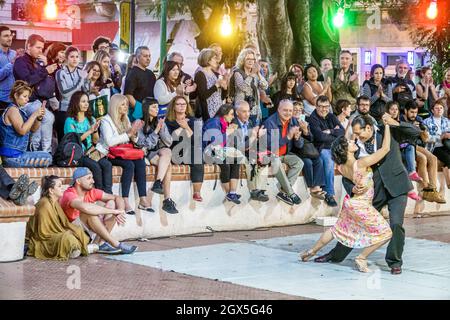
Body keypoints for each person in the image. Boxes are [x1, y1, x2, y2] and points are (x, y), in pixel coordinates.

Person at [314, 114, 416, 275]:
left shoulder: (387, 131)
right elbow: (349, 172)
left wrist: (395, 122)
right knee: (354, 222)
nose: (356, 137)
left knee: (396, 224)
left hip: (397, 187)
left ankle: (395, 262)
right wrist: (351, 187)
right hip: (373, 191)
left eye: (358, 132)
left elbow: (415, 132)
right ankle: (336, 255)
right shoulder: (354, 147)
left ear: (368, 128)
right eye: (354, 133)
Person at [300, 119, 393, 273]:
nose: (353, 141)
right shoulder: (361, 163)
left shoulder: (342, 167)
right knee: (386, 233)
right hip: (361, 205)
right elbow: (386, 148)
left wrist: (349, 127)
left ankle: (311, 251)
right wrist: (388, 125)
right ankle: (362, 257)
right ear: (346, 150)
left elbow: (344, 141)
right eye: (349, 142)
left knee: (336, 230)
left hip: (351, 203)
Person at [60, 167, 137, 254]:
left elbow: (117, 197)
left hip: (87, 230)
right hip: (72, 231)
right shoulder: (69, 194)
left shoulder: (91, 192)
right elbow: (86, 208)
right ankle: (116, 244)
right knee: (89, 213)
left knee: (112, 202)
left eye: (92, 178)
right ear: (78, 181)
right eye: (89, 178)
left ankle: (99, 244)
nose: (93, 181)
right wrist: (114, 212)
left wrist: (120, 211)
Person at [97, 94, 152, 214]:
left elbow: (132, 139)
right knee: (129, 165)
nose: (126, 107)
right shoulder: (106, 120)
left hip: (124, 151)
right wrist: (129, 133)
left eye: (126, 104)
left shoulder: (126, 118)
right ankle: (125, 200)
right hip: (109, 153)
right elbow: (110, 142)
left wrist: (135, 133)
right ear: (115, 106)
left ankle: (143, 198)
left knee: (140, 161)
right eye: (123, 104)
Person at [27, 175, 95, 260]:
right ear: (51, 190)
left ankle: (78, 248)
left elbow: (64, 223)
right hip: (42, 239)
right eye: (59, 186)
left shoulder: (54, 202)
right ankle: (79, 248)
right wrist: (64, 233)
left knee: (76, 230)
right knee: (68, 238)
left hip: (55, 233)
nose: (62, 188)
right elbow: (43, 234)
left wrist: (70, 230)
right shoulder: (45, 204)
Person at [13, 34, 56, 153]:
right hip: (26, 102)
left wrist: (46, 66)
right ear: (28, 46)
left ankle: (44, 152)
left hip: (38, 101)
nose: (40, 51)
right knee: (47, 118)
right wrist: (45, 71)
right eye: (38, 47)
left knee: (46, 119)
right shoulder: (20, 62)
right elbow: (26, 81)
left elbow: (46, 83)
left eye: (42, 48)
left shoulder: (38, 62)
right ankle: (38, 152)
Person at [64, 91, 113, 194]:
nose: (86, 104)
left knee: (107, 164)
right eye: (83, 101)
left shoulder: (90, 119)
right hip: (77, 154)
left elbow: (95, 140)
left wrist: (95, 130)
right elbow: (73, 140)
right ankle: (99, 193)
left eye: (87, 101)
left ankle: (108, 193)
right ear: (76, 103)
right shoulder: (70, 121)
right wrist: (90, 131)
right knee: (95, 166)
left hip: (90, 152)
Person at [137, 97, 178, 214]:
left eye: (157, 107)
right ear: (146, 108)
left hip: (161, 152)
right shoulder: (139, 123)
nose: (157, 109)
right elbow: (144, 145)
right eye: (154, 107)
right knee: (168, 166)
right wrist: (155, 132)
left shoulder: (160, 122)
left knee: (167, 152)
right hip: (148, 153)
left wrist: (161, 129)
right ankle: (167, 200)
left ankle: (158, 182)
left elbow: (169, 142)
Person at [0, 81, 52, 167]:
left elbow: (33, 129)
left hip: (18, 155)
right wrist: (34, 114)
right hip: (12, 157)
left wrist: (39, 118)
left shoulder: (20, 111)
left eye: (28, 97)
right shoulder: (12, 110)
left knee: (46, 156)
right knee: (48, 157)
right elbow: (22, 131)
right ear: (16, 95)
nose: (27, 99)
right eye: (24, 96)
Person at [400, 100, 444, 203]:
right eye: (411, 112)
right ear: (405, 111)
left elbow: (425, 139)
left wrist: (422, 130)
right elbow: (402, 138)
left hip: (416, 145)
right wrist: (412, 128)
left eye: (415, 112)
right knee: (422, 158)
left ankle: (432, 190)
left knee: (433, 158)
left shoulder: (419, 120)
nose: (414, 115)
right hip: (404, 146)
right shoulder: (400, 119)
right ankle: (425, 189)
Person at [263, 99, 304, 206]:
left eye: (290, 110)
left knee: (299, 162)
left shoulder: (293, 121)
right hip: (271, 154)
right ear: (278, 109)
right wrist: (288, 137)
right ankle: (290, 193)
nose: (288, 113)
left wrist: (297, 138)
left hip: (285, 154)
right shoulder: (270, 122)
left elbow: (299, 145)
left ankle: (283, 192)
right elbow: (271, 146)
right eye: (285, 110)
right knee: (276, 162)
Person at [165, 95, 205, 202]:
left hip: (189, 152)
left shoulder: (193, 121)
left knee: (197, 155)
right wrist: (183, 129)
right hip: (175, 153)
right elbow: (172, 140)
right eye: (178, 104)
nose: (182, 106)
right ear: (173, 106)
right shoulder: (168, 121)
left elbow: (197, 141)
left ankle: (197, 192)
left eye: (184, 104)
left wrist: (186, 127)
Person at [308, 95, 345, 207]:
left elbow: (342, 132)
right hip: (319, 148)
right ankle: (329, 194)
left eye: (326, 107)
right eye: (321, 107)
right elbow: (320, 137)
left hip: (332, 147)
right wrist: (335, 133)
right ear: (316, 106)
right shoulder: (313, 118)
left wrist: (329, 131)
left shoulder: (331, 116)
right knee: (329, 161)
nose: (324, 109)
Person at [203, 104, 242, 204]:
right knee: (225, 164)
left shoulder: (225, 124)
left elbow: (225, 144)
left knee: (236, 160)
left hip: (218, 151)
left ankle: (232, 192)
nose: (233, 117)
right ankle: (229, 193)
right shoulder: (214, 122)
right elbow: (214, 141)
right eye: (231, 114)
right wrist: (228, 132)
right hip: (207, 151)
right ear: (224, 114)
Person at [231, 101, 269, 202]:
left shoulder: (250, 123)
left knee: (264, 160)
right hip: (237, 153)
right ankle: (254, 190)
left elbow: (252, 143)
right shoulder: (233, 124)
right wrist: (254, 136)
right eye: (244, 112)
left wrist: (258, 137)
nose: (247, 114)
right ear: (237, 112)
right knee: (249, 163)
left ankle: (260, 190)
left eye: (248, 111)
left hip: (248, 151)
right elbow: (239, 147)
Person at [55, 46, 89, 141]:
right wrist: (81, 80)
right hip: (65, 110)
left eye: (77, 57)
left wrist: (87, 81)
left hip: (79, 111)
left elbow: (86, 92)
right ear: (66, 58)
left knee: (78, 141)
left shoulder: (81, 72)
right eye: (72, 56)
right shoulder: (60, 73)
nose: (75, 59)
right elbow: (65, 93)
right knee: (64, 141)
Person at [230, 48, 268, 126]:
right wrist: (252, 74)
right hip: (242, 110)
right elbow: (243, 87)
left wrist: (258, 74)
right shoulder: (238, 73)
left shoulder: (255, 73)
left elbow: (265, 86)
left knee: (254, 135)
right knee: (243, 135)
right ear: (243, 60)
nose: (251, 61)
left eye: (253, 59)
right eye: (248, 59)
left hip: (255, 110)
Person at [194, 48, 228, 122]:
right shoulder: (200, 74)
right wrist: (216, 85)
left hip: (218, 112)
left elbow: (222, 97)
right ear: (208, 60)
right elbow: (203, 96)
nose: (217, 60)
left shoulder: (216, 74)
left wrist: (225, 88)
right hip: (206, 115)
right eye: (214, 58)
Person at [124, 46, 157, 122]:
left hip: (151, 113)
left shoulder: (151, 74)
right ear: (137, 58)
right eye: (145, 56)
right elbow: (128, 95)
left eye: (149, 56)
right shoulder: (132, 73)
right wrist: (142, 110)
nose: (148, 58)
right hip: (136, 113)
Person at [423, 98, 450, 188]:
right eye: (437, 108)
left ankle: (447, 173)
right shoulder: (426, 122)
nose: (439, 110)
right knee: (448, 158)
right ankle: (448, 181)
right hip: (434, 147)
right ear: (432, 110)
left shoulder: (447, 121)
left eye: (441, 108)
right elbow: (426, 138)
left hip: (447, 145)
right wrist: (440, 137)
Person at [0, 26, 16, 112]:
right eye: (6, 36)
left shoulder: (14, 53)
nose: (10, 38)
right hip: (1, 100)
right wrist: (11, 64)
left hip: (14, 99)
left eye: (10, 35)